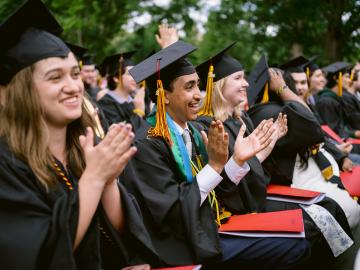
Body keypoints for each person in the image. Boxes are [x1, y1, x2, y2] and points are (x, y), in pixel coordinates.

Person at [121, 40, 311, 269]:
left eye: (198, 85)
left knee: (302, 235)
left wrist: (238, 160)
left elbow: (217, 191)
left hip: (206, 227)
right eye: (189, 87)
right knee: (294, 246)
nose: (199, 95)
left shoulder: (190, 131)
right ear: (165, 95)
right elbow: (172, 211)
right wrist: (214, 167)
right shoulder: (147, 144)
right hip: (182, 243)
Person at [0, 1, 152, 269]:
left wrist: (107, 180)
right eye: (55, 77)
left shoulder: (83, 146)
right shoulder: (7, 162)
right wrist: (94, 177)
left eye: (74, 74)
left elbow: (121, 235)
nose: (73, 87)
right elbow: (35, 255)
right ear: (20, 91)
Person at [194, 46, 354, 269]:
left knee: (329, 207)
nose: (246, 83)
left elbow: (253, 165)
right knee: (314, 225)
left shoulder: (241, 120)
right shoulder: (208, 126)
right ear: (219, 85)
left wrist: (266, 146)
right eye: (238, 78)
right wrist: (247, 157)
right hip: (237, 205)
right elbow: (226, 183)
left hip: (254, 194)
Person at [97, 52, 150, 139]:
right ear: (116, 78)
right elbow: (120, 137)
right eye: (130, 74)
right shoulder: (105, 104)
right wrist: (139, 112)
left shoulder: (135, 100)